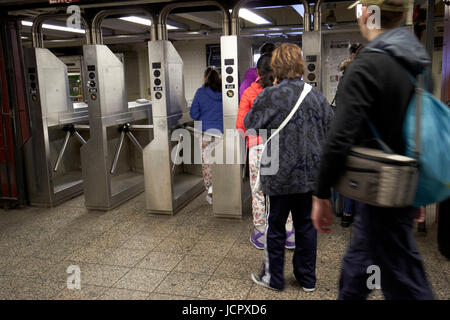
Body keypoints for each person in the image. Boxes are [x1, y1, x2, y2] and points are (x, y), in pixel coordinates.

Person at [312, 0, 434, 299]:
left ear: (367, 14)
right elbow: (421, 130)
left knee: (404, 279)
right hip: (398, 185)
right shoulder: (418, 64)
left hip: (378, 186)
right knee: (361, 266)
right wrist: (417, 190)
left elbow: (338, 137)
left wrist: (321, 193)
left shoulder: (366, 65)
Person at [245, 43, 334, 291]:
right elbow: (330, 128)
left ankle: (272, 278)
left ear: (276, 67)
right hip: (309, 175)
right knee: (306, 226)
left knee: (275, 226)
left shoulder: (271, 95)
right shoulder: (315, 95)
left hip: (279, 173)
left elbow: (250, 124)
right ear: (300, 65)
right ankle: (307, 279)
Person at [236, 54, 295, 250]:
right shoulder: (285, 93)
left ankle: (261, 232)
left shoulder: (250, 93)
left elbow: (241, 124)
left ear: (257, 72)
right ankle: (288, 232)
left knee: (258, 191)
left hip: (257, 148)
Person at [334, 43, 365, 228]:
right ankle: (360, 215)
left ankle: (346, 213)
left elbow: (340, 108)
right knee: (362, 173)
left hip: (346, 133)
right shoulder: (366, 77)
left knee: (349, 174)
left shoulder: (345, 78)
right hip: (362, 134)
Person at [190, 67, 223, 205]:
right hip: (223, 134)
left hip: (205, 134)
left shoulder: (200, 93)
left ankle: (211, 193)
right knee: (222, 163)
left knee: (207, 165)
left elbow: (194, 114)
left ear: (205, 78)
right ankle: (225, 190)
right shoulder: (226, 92)